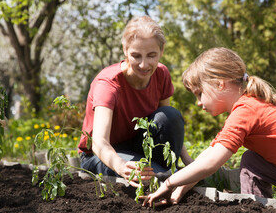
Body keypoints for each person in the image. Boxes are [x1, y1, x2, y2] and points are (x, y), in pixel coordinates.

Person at [142, 47, 276, 207]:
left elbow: (212, 163)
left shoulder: (245, 110)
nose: (198, 102)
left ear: (220, 84)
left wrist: (169, 183)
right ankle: (254, 207)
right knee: (251, 161)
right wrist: (183, 185)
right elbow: (210, 154)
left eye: (199, 93)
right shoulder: (246, 106)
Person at [77, 16, 193, 187]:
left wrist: (189, 162)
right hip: (103, 155)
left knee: (170, 115)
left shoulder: (161, 74)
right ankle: (165, 175)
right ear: (125, 50)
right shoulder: (108, 84)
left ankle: (166, 173)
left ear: (161, 51)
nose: (144, 64)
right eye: (136, 56)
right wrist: (121, 166)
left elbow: (168, 126)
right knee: (155, 177)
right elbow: (99, 142)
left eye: (152, 55)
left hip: (139, 146)